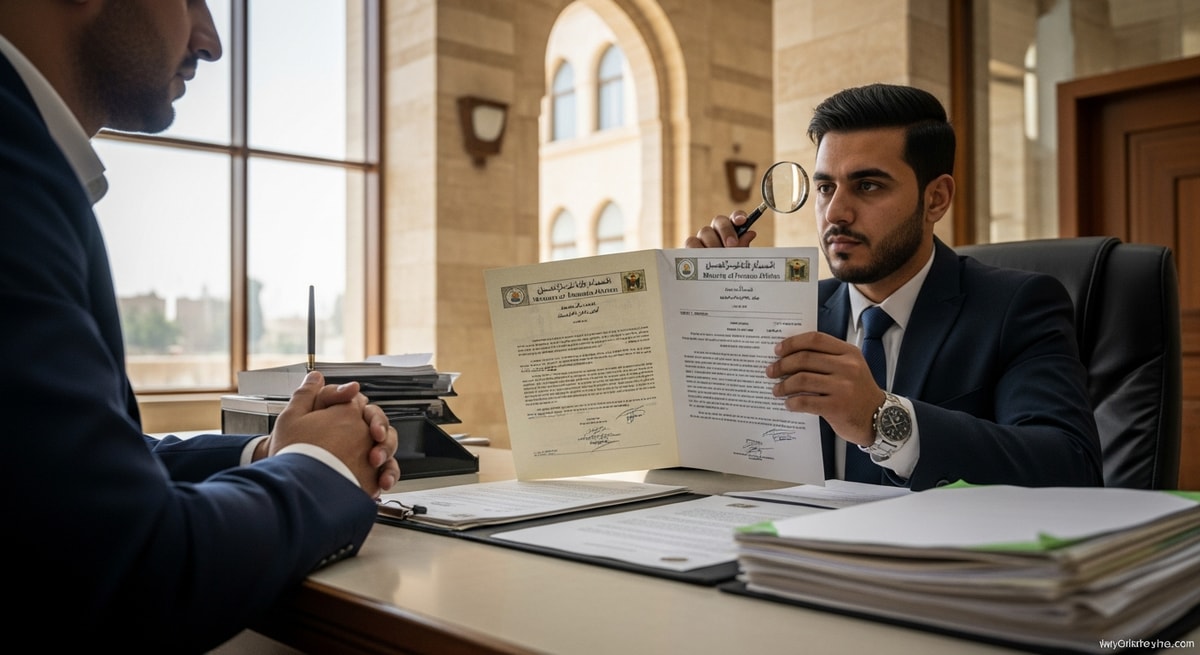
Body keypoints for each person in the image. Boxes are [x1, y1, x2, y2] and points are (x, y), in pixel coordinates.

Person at [0, 1, 400, 650]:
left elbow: (75, 476)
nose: (211, 41)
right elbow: (135, 569)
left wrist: (270, 451)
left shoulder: (30, 161)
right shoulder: (14, 175)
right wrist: (323, 466)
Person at [686, 83, 1103, 491]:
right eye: (826, 188)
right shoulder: (791, 312)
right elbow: (708, 457)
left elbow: (1071, 466)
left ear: (936, 199)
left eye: (868, 186)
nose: (835, 212)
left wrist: (882, 419)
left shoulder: (1017, 306)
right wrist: (703, 315)